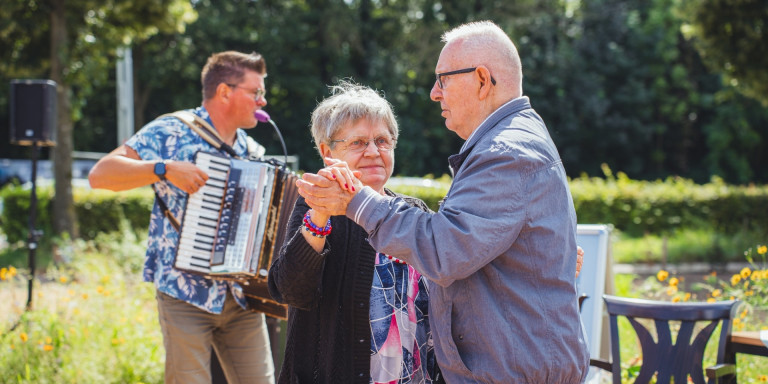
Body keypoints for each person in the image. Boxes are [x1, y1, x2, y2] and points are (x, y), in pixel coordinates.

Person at [296, 21, 590, 383]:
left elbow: (444, 251)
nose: (435, 93)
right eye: (357, 143)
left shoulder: (504, 153)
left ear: (482, 80)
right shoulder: (511, 142)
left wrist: (356, 202)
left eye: (443, 79)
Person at [88, 51, 275, 384]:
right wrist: (162, 169)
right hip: (184, 294)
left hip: (239, 297)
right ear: (225, 92)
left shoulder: (250, 150)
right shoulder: (171, 130)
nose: (263, 101)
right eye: (256, 92)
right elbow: (100, 175)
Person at [268, 81, 444, 384]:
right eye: (358, 143)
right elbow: (290, 291)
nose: (374, 152)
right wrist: (321, 213)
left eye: (383, 141)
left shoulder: (413, 212)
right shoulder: (315, 209)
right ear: (327, 152)